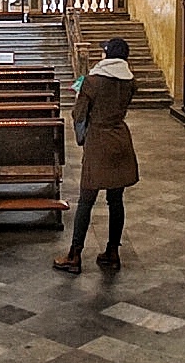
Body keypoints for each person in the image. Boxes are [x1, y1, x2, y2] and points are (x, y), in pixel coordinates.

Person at [55, 37, 138, 273]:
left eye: (103, 52)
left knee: (86, 200)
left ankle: (74, 254)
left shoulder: (92, 82)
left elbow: (78, 113)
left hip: (98, 142)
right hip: (120, 139)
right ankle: (112, 251)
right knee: (116, 200)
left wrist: (82, 134)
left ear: (108, 55)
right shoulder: (130, 82)